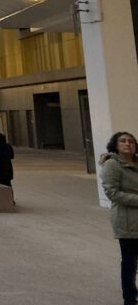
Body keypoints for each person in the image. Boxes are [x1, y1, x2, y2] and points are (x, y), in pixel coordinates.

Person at [101, 131, 138, 305]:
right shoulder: (112, 164)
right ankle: (130, 298)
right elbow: (112, 193)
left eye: (131, 141)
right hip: (127, 220)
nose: (128, 144)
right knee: (130, 262)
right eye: (123, 141)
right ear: (115, 145)